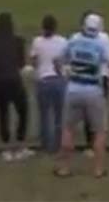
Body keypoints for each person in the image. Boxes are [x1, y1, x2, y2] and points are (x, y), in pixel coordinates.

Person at [56, 13, 109, 179]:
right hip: (93, 90)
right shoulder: (100, 43)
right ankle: (98, 169)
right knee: (100, 131)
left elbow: (58, 59)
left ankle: (64, 168)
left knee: (68, 129)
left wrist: (63, 74)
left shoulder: (74, 39)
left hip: (73, 89)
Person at [0, 12, 33, 161]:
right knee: (23, 111)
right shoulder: (18, 41)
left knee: (3, 113)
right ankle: (19, 144)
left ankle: (6, 148)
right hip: (13, 80)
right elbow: (21, 63)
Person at [31, 14, 68, 154]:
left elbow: (34, 62)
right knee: (59, 115)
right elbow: (67, 59)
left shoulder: (37, 42)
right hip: (59, 80)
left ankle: (46, 145)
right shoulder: (63, 41)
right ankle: (58, 144)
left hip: (44, 80)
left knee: (44, 115)